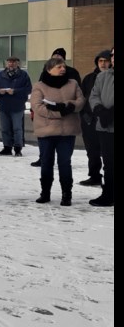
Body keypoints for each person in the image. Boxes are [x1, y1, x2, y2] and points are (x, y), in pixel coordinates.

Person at [30, 57, 84, 206]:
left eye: (64, 67)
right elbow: (37, 106)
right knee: (46, 162)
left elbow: (81, 101)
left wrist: (70, 106)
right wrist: (59, 113)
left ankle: (67, 194)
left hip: (67, 132)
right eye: (59, 67)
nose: (63, 69)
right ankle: (45, 193)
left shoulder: (72, 83)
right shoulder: (39, 86)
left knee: (65, 163)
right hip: (46, 131)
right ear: (49, 69)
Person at [30, 48, 83, 168]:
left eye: (60, 58)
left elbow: (79, 96)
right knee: (46, 156)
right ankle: (42, 159)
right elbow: (37, 99)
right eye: (55, 57)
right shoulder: (43, 76)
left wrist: (68, 106)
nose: (57, 60)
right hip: (47, 123)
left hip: (68, 124)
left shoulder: (72, 74)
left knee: (64, 161)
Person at [78, 50, 111, 186]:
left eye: (106, 61)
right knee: (92, 151)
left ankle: (110, 179)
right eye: (100, 61)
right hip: (90, 120)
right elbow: (83, 98)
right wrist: (84, 115)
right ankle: (94, 175)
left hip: (108, 120)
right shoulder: (89, 78)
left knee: (108, 153)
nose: (103, 64)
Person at [87, 47, 114, 207]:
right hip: (105, 128)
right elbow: (94, 95)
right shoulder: (103, 76)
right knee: (109, 163)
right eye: (112, 55)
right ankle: (109, 194)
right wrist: (99, 110)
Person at [0, 57, 32, 157]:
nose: (11, 64)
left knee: (17, 128)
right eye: (9, 62)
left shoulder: (23, 75)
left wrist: (15, 91)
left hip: (17, 106)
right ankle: (7, 148)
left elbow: (28, 89)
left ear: (18, 64)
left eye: (13, 62)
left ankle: (18, 148)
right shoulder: (1, 75)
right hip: (3, 105)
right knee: (5, 128)